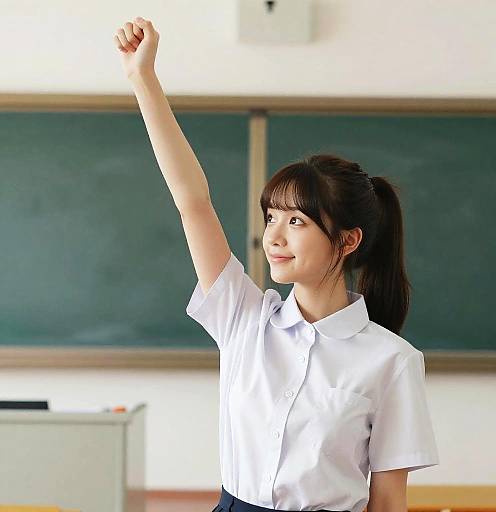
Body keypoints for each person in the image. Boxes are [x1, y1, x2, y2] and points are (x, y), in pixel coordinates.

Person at [114, 17, 440, 512]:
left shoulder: (391, 361)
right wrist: (143, 80)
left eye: (297, 221)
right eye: (271, 218)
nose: (274, 237)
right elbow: (192, 201)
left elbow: (389, 502)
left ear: (347, 239)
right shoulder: (244, 319)